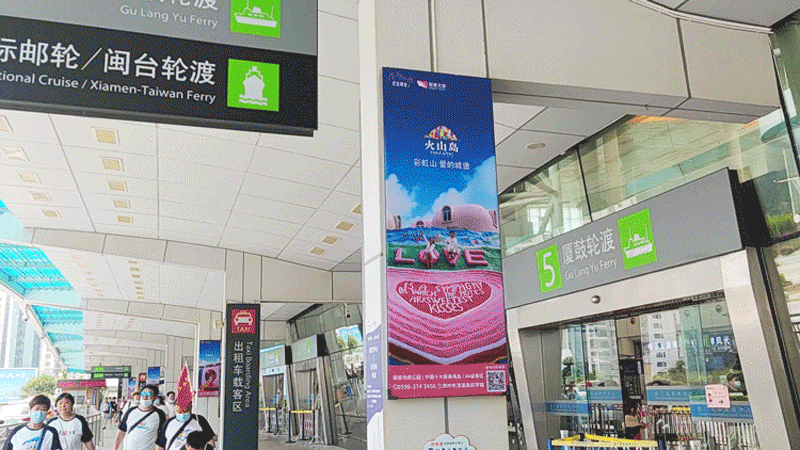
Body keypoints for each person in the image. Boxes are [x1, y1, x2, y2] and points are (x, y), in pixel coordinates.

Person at [157, 365, 214, 450]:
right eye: (180, 409)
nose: (182, 412)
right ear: (175, 407)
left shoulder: (199, 420)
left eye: (185, 408)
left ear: (190, 407)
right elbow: (160, 445)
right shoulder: (168, 423)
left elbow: (210, 441)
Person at [115, 385, 166, 450]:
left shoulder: (160, 414)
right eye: (143, 394)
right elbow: (121, 432)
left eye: (148, 394)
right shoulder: (131, 411)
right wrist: (115, 448)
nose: (145, 397)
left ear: (155, 397)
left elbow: (161, 438)